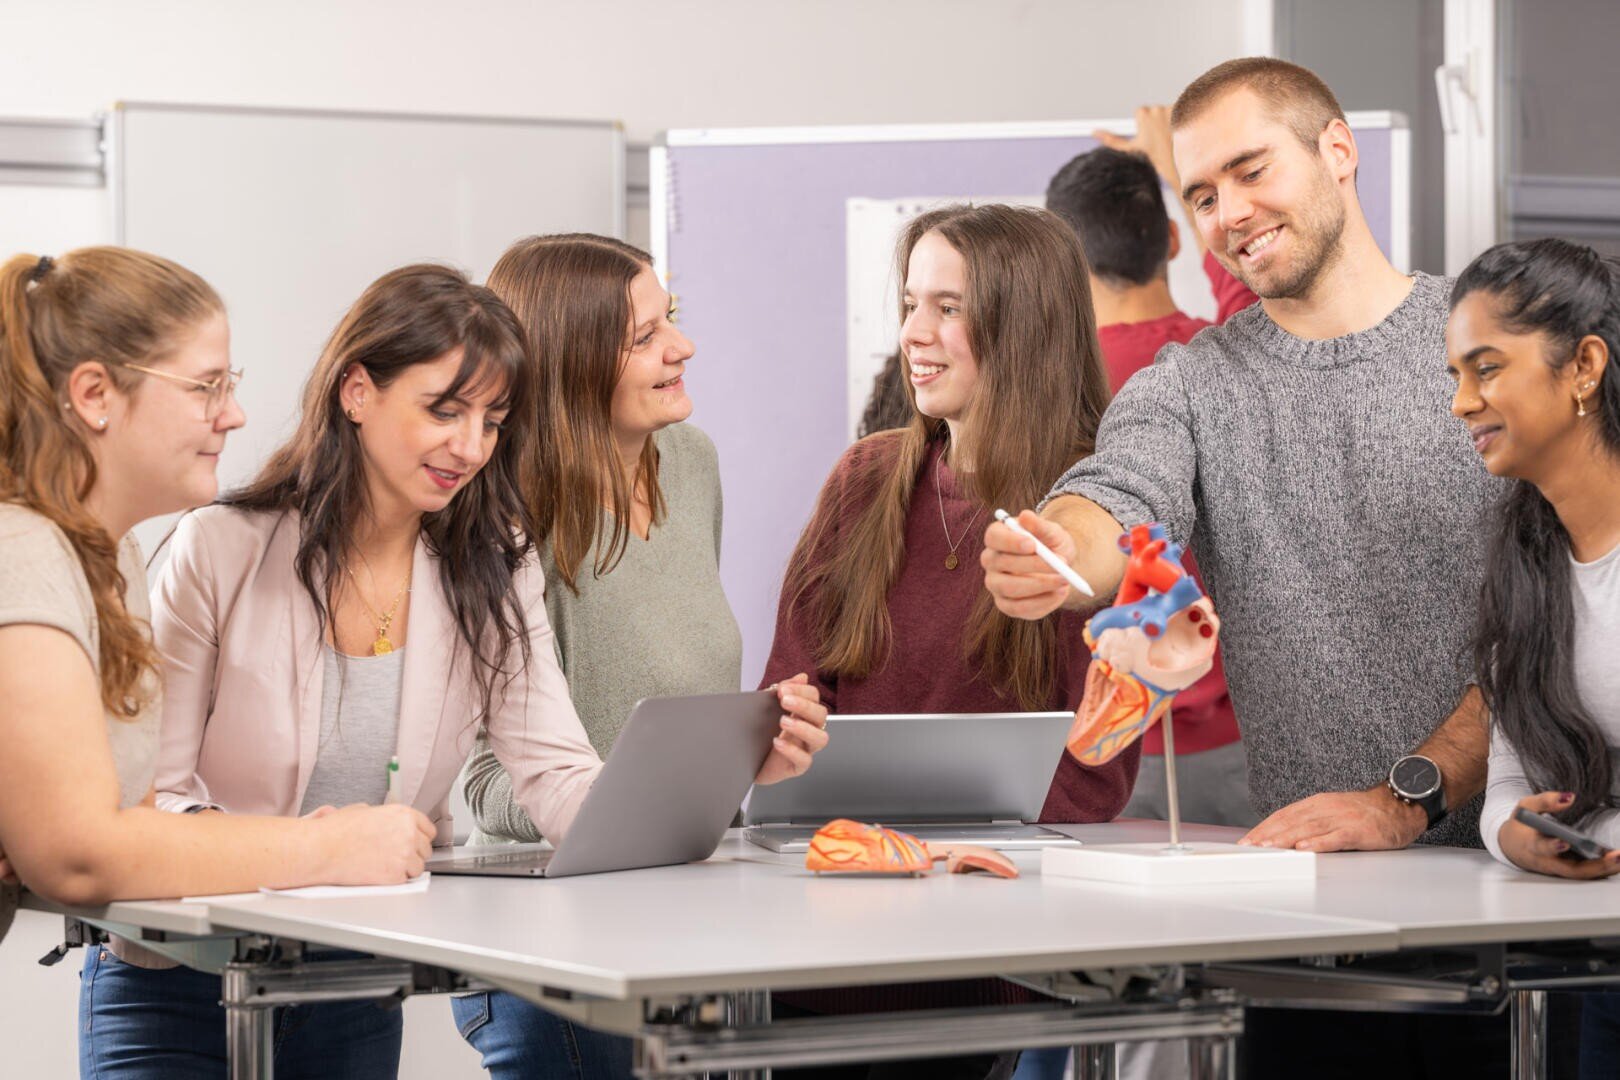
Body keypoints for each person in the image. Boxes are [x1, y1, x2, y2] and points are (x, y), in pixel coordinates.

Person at [981, 58, 1506, 1078]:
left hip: (1519, 914)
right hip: (1305, 937)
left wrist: (1405, 800)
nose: (1228, 213)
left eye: (1250, 170)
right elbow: (1115, 495)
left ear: (1338, 151)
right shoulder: (1191, 385)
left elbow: (1563, 622)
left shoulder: (1486, 351)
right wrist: (1062, 545)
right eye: (1203, 195)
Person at [81, 263, 595, 1079]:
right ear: (357, 392)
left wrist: (686, 804)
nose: (471, 446)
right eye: (445, 409)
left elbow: (560, 775)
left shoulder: (496, 565)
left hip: (347, 993)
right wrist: (323, 848)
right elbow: (153, 801)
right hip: (176, 986)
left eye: (493, 420)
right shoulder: (221, 549)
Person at [761, 202, 1131, 1080]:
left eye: (949, 308)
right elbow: (791, 692)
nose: (914, 335)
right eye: (909, 303)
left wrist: (939, 852)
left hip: (992, 962)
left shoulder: (1091, 518)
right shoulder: (865, 480)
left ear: (1024, 326)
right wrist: (780, 737)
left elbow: (1096, 773)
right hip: (832, 946)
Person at [456, 233, 829, 1080]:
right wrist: (679, 791)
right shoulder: (503, 514)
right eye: (643, 337)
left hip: (689, 930)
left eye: (674, 319)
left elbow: (676, 720)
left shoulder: (690, 465)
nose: (682, 347)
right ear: (571, 361)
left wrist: (749, 757)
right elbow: (482, 787)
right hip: (555, 956)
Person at [0, 249, 431, 941]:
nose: (233, 415)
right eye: (205, 387)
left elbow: (127, 829)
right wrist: (326, 849)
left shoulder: (114, 559)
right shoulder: (21, 553)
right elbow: (78, 858)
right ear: (94, 396)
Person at [1045, 110, 1260, 832]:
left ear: (1065, 266)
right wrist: (1178, 171)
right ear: (1172, 239)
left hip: (1104, 737)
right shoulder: (1234, 353)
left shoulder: (1052, 390)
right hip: (1241, 734)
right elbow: (1251, 293)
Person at [1448, 238, 1620, 1079]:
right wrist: (1517, 836)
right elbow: (1510, 779)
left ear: (1584, 365)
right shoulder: (1525, 556)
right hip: (1596, 955)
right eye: (1455, 375)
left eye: (1486, 368)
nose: (1461, 403)